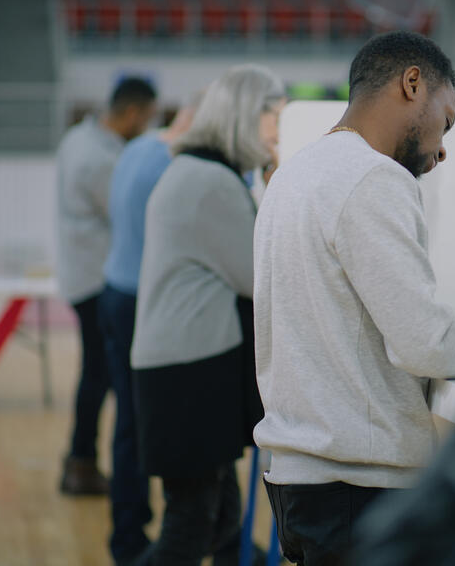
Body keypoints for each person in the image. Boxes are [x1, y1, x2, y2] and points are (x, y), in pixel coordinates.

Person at [253, 30, 455, 565]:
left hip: (303, 477)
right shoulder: (373, 176)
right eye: (445, 120)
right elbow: (423, 342)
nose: (443, 147)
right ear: (412, 83)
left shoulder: (295, 174)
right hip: (356, 486)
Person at [130, 65, 285, 565]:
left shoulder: (196, 171)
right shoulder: (210, 183)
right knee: (191, 527)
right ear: (245, 116)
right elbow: (259, 277)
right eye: (273, 121)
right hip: (189, 371)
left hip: (182, 365)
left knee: (216, 519)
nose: (278, 134)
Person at [99, 93, 201, 566]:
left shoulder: (137, 147)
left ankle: (126, 534)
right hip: (142, 300)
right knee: (145, 427)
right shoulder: (173, 164)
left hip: (115, 290)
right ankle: (135, 540)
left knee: (128, 423)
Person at [55, 77, 156, 498]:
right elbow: (129, 213)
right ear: (131, 112)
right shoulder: (99, 161)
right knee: (101, 377)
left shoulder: (78, 138)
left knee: (96, 374)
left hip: (83, 275)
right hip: (98, 280)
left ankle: (81, 460)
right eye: (148, 118)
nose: (148, 127)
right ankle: (82, 462)